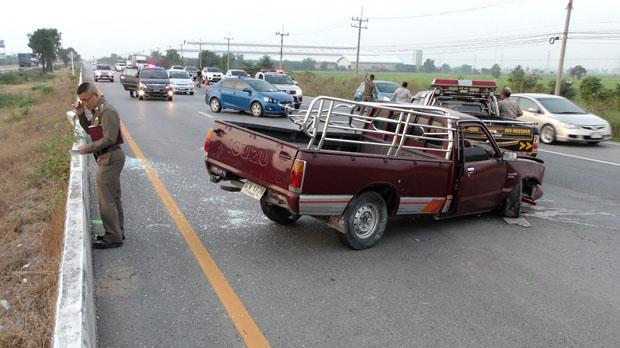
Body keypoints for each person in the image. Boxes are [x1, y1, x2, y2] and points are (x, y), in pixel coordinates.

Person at [74, 82, 126, 249]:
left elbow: (109, 139)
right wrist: (81, 115)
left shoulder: (107, 111)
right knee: (113, 198)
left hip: (110, 157)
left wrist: (87, 149)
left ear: (95, 96)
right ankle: (117, 232)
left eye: (86, 100)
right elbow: (92, 131)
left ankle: (113, 237)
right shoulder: (97, 111)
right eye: (82, 101)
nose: (85, 103)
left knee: (107, 200)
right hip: (106, 157)